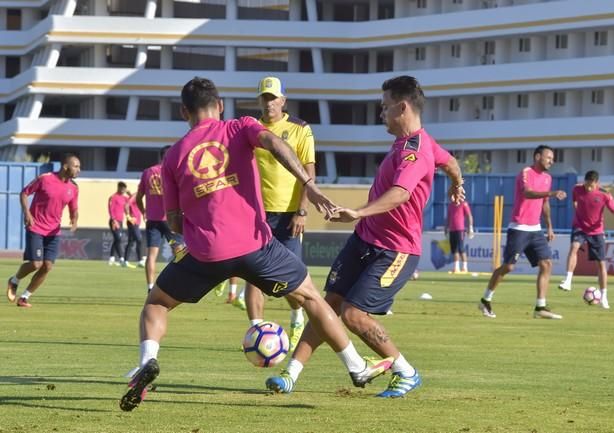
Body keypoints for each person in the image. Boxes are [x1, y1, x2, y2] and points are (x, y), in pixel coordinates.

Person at [120, 77, 393, 412]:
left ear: (183, 112)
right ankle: (356, 366)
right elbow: (276, 145)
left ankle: (148, 360)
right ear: (219, 105)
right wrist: (309, 185)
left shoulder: (174, 155)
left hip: (206, 252)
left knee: (156, 304)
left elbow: (174, 221)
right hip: (255, 246)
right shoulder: (239, 127)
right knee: (310, 297)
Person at [266, 75, 465, 398]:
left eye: (385, 108)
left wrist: (358, 212)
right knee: (325, 306)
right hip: (364, 241)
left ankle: (405, 371)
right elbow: (452, 162)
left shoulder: (415, 152)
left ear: (402, 107)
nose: (381, 113)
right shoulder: (416, 143)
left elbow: (400, 194)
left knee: (354, 314)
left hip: (395, 250)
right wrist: (457, 183)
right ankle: (290, 374)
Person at [237, 76, 315, 350]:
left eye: (273, 98)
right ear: (259, 100)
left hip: (289, 215)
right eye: (264, 98)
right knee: (253, 276)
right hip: (255, 214)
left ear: (283, 100)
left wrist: (302, 211)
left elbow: (309, 173)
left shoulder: (300, 129)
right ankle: (256, 332)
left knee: (291, 281)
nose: (269, 103)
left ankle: (296, 315)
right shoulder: (250, 129)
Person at [478, 145, 567, 320]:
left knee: (547, 264)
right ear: (537, 156)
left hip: (536, 229)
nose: (552, 161)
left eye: (552, 158)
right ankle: (485, 299)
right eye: (549, 157)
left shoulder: (548, 178)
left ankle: (540, 306)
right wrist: (551, 192)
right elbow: (528, 193)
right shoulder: (525, 172)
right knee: (508, 267)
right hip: (519, 227)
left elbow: (545, 203)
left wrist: (549, 226)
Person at [6, 154, 81, 308]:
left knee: (47, 266)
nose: (79, 170)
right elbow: (24, 193)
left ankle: (24, 298)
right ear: (65, 167)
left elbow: (74, 208)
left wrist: (74, 219)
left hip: (53, 232)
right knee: (35, 264)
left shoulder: (73, 188)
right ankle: (14, 280)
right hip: (36, 226)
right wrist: (27, 213)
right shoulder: (45, 179)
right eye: (76, 166)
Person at [558, 170, 614, 309]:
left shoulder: (604, 194)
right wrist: (579, 214)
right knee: (574, 247)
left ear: (596, 183)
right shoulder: (576, 188)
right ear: (584, 181)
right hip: (580, 227)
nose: (588, 187)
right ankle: (568, 281)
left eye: (591, 185)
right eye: (586, 184)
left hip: (596, 231)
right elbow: (575, 201)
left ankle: (604, 297)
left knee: (601, 264)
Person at [136, 146, 184, 292]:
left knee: (151, 255)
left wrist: (143, 211)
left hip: (152, 219)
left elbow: (139, 197)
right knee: (180, 253)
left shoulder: (148, 172)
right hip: (170, 219)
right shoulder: (172, 170)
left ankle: (150, 287)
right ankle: (181, 285)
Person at [446, 199, 474, 273]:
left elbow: (469, 215)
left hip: (460, 229)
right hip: (452, 229)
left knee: (461, 248)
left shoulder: (463, 204)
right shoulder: (450, 205)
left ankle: (465, 267)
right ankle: (456, 267)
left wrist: (470, 227)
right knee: (454, 249)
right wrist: (446, 227)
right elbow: (448, 217)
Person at [108, 182, 128, 267]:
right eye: (122, 188)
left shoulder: (124, 198)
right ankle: (121, 258)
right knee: (118, 239)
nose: (123, 190)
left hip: (121, 221)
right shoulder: (113, 197)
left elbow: (130, 203)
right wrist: (114, 220)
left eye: (125, 189)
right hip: (114, 221)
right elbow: (110, 209)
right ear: (119, 188)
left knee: (117, 239)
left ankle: (111, 258)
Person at [124, 191, 145, 268]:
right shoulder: (135, 195)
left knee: (131, 242)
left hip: (135, 223)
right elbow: (126, 205)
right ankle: (140, 260)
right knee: (139, 240)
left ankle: (125, 261)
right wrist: (129, 217)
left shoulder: (138, 196)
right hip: (133, 222)